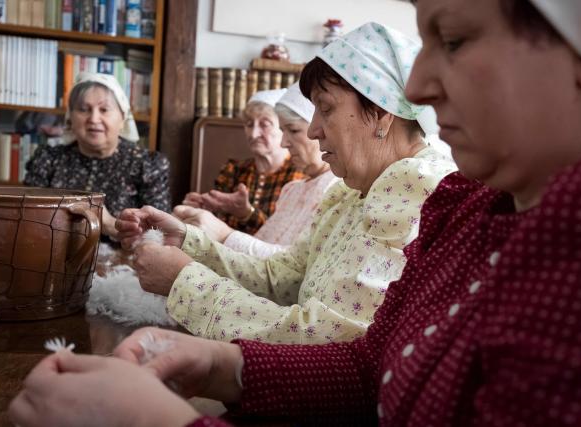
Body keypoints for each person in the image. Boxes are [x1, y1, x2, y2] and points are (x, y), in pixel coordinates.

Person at [8, 2, 581, 425]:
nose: (421, 84)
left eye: (452, 39)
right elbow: (369, 358)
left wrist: (158, 415)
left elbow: (331, 330)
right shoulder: (464, 208)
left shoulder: (573, 263)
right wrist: (226, 364)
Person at [114, 24, 456, 344]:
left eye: (326, 109)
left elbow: (332, 338)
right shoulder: (354, 191)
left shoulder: (418, 193)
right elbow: (285, 276)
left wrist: (185, 284)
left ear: (381, 112)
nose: (312, 130)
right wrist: (189, 242)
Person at [173, 83, 339, 258]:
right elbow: (260, 260)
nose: (254, 134)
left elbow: (291, 266)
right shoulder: (291, 190)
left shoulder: (335, 189)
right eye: (248, 124)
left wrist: (224, 233)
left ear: (321, 131)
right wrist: (201, 218)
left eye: (294, 130)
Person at [24, 72, 171, 238]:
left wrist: (109, 224)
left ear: (123, 117)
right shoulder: (48, 159)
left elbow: (160, 236)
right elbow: (27, 223)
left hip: (127, 261)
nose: (94, 119)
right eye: (83, 109)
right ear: (70, 117)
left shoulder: (147, 165)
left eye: (104, 109)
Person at [183, 89, 305, 235]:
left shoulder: (299, 177)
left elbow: (283, 238)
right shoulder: (233, 170)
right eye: (249, 124)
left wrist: (247, 213)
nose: (254, 134)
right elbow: (214, 226)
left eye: (264, 125)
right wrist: (203, 208)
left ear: (284, 128)